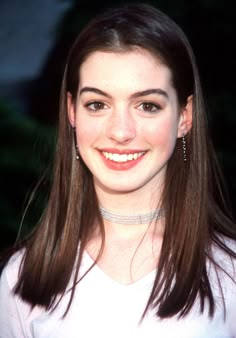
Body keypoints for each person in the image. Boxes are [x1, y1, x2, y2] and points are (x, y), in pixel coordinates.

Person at [0, 3, 235, 338]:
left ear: (185, 117)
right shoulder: (20, 279)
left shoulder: (230, 274)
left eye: (147, 105)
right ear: (72, 113)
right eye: (97, 104)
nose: (121, 131)